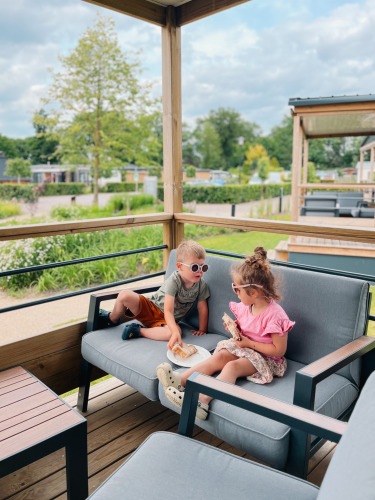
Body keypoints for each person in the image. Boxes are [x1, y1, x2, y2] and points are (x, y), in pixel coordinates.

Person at [156, 246, 295, 421]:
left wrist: (248, 344)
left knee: (232, 367)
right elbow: (249, 327)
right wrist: (236, 327)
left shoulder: (275, 316)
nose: (234, 292)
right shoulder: (247, 305)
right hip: (246, 348)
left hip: (266, 359)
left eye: (237, 289)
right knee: (219, 356)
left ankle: (201, 402)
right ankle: (180, 380)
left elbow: (279, 350)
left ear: (254, 292)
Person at [98, 239, 210, 349]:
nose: (200, 271)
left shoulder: (201, 285)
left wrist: (202, 330)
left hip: (165, 321)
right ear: (179, 267)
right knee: (124, 295)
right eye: (195, 267)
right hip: (151, 307)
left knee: (174, 333)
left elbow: (202, 308)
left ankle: (138, 330)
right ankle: (112, 318)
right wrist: (174, 329)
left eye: (203, 267)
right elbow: (168, 310)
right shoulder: (175, 280)